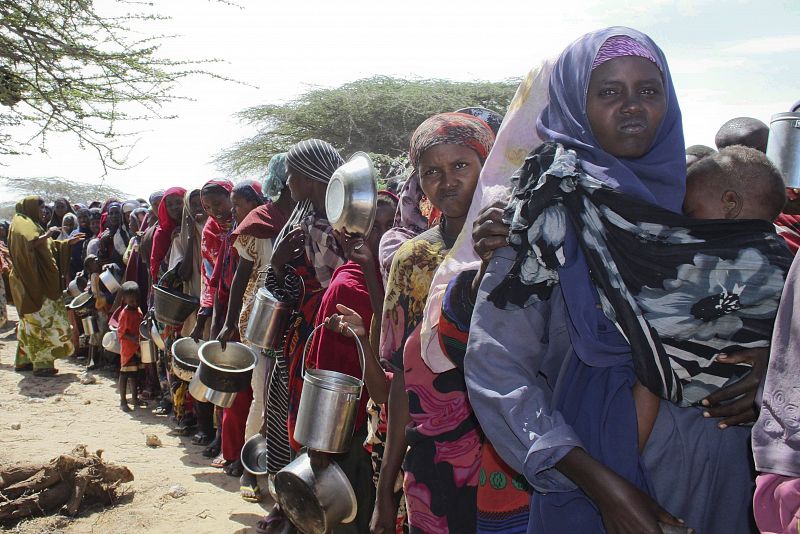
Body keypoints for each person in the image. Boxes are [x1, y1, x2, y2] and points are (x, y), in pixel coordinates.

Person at [464, 27, 775, 534]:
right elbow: (496, 369)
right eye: (608, 91)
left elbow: (767, 317)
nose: (632, 107)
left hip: (723, 481)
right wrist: (601, 485)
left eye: (648, 90)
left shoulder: (703, 209)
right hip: (598, 488)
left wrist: (772, 369)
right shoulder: (542, 219)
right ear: (574, 102)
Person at [374, 113, 494, 533]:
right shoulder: (413, 260)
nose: (447, 182)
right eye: (431, 172)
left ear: (487, 164)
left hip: (510, 452)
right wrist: (384, 490)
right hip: (435, 459)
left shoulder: (523, 246)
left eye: (460, 165)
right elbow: (400, 379)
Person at [634, 145, 789, 452]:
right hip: (760, 427)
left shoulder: (729, 259)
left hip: (699, 420)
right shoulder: (786, 255)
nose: (685, 223)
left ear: (730, 203)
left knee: (647, 375)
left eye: (690, 211)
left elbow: (658, 331)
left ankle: (621, 466)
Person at [256, 139, 346, 533]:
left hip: (322, 342)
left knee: (311, 426)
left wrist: (279, 268)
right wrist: (277, 265)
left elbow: (338, 292)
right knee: (288, 418)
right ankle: (290, 505)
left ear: (310, 179)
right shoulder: (304, 222)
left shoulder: (332, 228)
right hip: (298, 340)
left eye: (293, 176)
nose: (287, 184)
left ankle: (305, 509)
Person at [305, 190, 398, 533]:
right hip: (355, 429)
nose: (386, 237)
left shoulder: (398, 282)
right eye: (377, 228)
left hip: (390, 426)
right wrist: (323, 440)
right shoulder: (347, 286)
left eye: (393, 226)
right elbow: (330, 368)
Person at [216, 154, 293, 501]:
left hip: (298, 321)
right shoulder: (259, 223)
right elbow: (239, 279)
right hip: (261, 321)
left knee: (289, 404)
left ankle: (284, 474)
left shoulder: (310, 217)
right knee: (261, 398)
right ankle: (251, 469)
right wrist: (229, 322)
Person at [209, 180, 263, 478]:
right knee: (238, 394)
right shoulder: (237, 235)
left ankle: (245, 458)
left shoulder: (259, 231)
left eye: (237, 205)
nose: (230, 210)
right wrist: (225, 320)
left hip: (257, 322)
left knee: (249, 395)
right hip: (241, 319)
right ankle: (232, 451)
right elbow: (223, 283)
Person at [9, 196, 82, 377]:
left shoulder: (32, 224)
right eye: (40, 208)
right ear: (31, 207)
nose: (43, 212)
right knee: (43, 323)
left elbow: (45, 248)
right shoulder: (22, 223)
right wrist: (48, 234)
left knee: (30, 323)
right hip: (35, 285)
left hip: (35, 283)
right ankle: (43, 364)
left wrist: (66, 244)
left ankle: (24, 360)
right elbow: (30, 244)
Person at [117, 281, 144, 412]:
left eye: (136, 299)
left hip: (137, 349)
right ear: (125, 299)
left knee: (135, 374)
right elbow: (121, 332)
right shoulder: (125, 314)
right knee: (125, 374)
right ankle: (122, 401)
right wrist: (132, 337)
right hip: (128, 349)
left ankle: (134, 397)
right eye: (132, 300)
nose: (135, 302)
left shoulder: (138, 311)